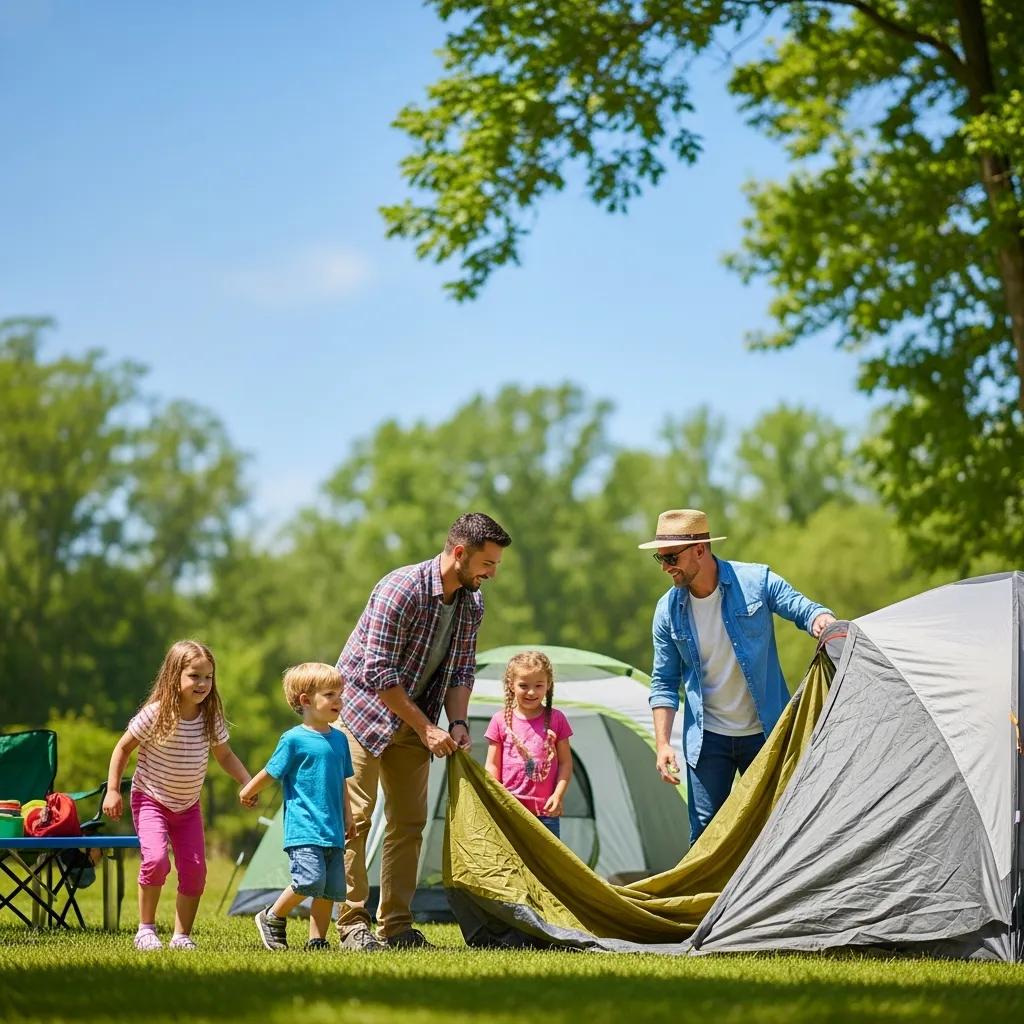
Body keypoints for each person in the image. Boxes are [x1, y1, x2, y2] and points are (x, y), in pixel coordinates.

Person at [336, 511, 512, 952]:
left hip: (419, 718)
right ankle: (351, 924)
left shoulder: (472, 602)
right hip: (364, 711)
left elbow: (461, 669)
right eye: (487, 564)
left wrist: (455, 723)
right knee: (355, 821)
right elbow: (377, 673)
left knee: (409, 823)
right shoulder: (402, 589)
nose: (492, 574)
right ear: (459, 554)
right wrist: (427, 728)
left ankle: (395, 928)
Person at [639, 509, 836, 845]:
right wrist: (661, 745)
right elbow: (663, 683)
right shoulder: (667, 610)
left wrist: (824, 622)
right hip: (707, 741)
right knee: (705, 837)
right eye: (660, 557)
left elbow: (804, 609)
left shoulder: (756, 582)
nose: (664, 567)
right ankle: (709, 901)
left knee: (779, 827)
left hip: (765, 733)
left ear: (700, 549)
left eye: (671, 557)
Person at [102, 639, 253, 951]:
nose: (202, 683)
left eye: (208, 677)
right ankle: (146, 930)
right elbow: (123, 748)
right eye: (194, 675)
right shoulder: (155, 714)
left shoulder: (210, 718)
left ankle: (181, 935)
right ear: (175, 677)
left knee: (196, 871)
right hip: (150, 799)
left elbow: (225, 756)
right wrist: (113, 790)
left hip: (188, 807)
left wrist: (246, 781)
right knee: (156, 860)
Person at [241, 663, 354, 952]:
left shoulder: (340, 740)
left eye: (340, 694)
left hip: (333, 829)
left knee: (329, 889)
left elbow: (342, 781)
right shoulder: (293, 739)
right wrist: (249, 789)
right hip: (304, 828)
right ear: (305, 700)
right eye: (330, 694)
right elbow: (272, 771)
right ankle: (272, 916)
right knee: (309, 880)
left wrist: (349, 816)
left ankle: (317, 940)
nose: (338, 701)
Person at [484, 650, 573, 837]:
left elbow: (565, 763)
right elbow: (492, 765)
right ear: (511, 685)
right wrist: (495, 796)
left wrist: (557, 796)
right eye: (523, 685)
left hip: (545, 812)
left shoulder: (557, 719)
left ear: (548, 685)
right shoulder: (499, 720)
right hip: (509, 811)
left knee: (543, 863)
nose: (531, 692)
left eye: (538, 685)